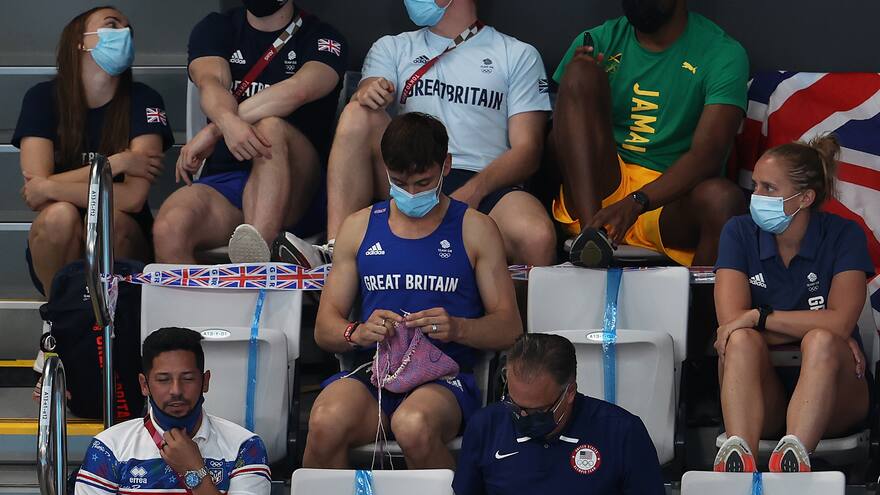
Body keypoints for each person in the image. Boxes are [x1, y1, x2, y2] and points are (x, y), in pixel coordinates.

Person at [302, 113, 522, 469]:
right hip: (374, 374)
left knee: (413, 425)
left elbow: (510, 329)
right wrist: (356, 332)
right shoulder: (358, 227)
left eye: (423, 182)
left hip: (442, 380)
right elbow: (325, 329)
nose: (412, 193)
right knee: (325, 420)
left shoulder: (476, 229)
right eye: (400, 182)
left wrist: (459, 327)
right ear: (386, 168)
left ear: (446, 166)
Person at [277, 0, 555, 269]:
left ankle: (509, 317)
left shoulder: (517, 53)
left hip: (483, 179)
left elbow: (527, 150)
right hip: (409, 173)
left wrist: (474, 190)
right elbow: (373, 87)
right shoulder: (393, 47)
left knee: (536, 236)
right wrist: (370, 91)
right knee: (357, 112)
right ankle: (336, 253)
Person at [713, 135, 874, 473]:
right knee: (741, 341)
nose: (756, 196)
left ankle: (794, 461)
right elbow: (730, 326)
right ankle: (738, 458)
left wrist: (760, 317)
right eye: (755, 185)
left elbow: (841, 324)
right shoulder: (738, 232)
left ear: (805, 198)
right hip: (764, 395)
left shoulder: (845, 234)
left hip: (838, 397)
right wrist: (816, 323)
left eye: (769, 188)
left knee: (822, 341)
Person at [551, 0, 749, 268]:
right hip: (600, 190)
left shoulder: (722, 52)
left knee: (722, 199)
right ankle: (593, 238)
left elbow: (708, 154)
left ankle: (705, 310)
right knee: (579, 70)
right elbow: (559, 139)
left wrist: (637, 202)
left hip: (668, 203)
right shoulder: (598, 40)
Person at [152, 0, 347, 263]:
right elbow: (210, 83)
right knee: (169, 228)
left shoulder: (323, 36)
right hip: (228, 181)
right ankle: (204, 304)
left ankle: (254, 262)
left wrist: (213, 132)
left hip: (297, 186)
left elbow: (297, 91)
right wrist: (226, 123)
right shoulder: (216, 27)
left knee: (270, 126)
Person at [13, 6, 173, 297]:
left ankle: (116, 323)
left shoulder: (144, 99)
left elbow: (133, 199)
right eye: (112, 25)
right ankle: (58, 319)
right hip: (59, 242)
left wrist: (50, 185)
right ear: (80, 41)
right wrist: (117, 162)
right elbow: (36, 196)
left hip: (125, 238)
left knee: (110, 220)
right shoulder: (42, 98)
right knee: (58, 217)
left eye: (128, 30)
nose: (123, 34)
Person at [453, 333, 664, 495]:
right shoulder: (485, 427)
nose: (524, 416)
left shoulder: (623, 432)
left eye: (538, 410)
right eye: (514, 405)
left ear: (569, 392)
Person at [74, 327, 271, 494]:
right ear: (144, 384)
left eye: (187, 378)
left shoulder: (244, 447)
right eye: (163, 379)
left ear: (205, 381)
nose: (176, 390)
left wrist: (194, 471)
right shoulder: (109, 448)